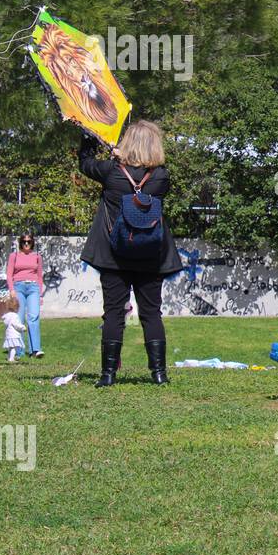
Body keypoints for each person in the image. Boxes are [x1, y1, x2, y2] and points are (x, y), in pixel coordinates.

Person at [78, 121, 183, 386]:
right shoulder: (161, 177)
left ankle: (108, 375)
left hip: (114, 255)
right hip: (149, 255)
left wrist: (89, 137)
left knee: (113, 313)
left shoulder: (111, 172)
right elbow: (144, 176)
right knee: (151, 313)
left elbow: (85, 163)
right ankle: (159, 374)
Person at [6, 233, 44, 357]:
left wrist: (40, 294)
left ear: (32, 242)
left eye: (28, 241)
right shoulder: (14, 256)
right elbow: (9, 274)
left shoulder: (37, 256)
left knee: (33, 317)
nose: (26, 244)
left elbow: (39, 276)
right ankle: (19, 350)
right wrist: (11, 290)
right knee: (19, 318)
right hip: (18, 287)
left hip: (33, 287)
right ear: (20, 243)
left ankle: (35, 350)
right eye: (24, 241)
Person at [1, 293, 26, 363]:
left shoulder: (7, 316)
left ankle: (9, 358)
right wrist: (23, 328)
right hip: (14, 335)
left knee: (10, 347)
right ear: (17, 307)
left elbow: (6, 323)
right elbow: (16, 325)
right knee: (14, 347)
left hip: (8, 334)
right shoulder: (15, 316)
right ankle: (12, 359)